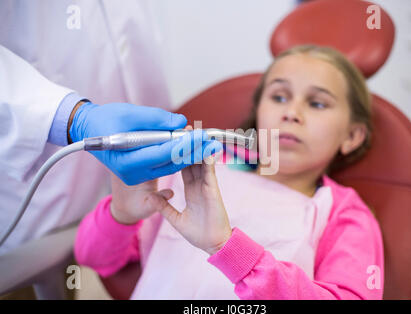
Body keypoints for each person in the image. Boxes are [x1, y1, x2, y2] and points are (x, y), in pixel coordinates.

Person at [75, 45, 384, 299]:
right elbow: (92, 257)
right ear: (258, 111)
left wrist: (229, 249)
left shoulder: (344, 214)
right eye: (279, 97)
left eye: (317, 104)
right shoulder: (192, 169)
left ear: (351, 136)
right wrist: (121, 216)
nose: (291, 113)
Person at [0, 1, 217, 255]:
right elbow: (94, 255)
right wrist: (71, 119)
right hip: (35, 187)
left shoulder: (219, 176)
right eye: (275, 96)